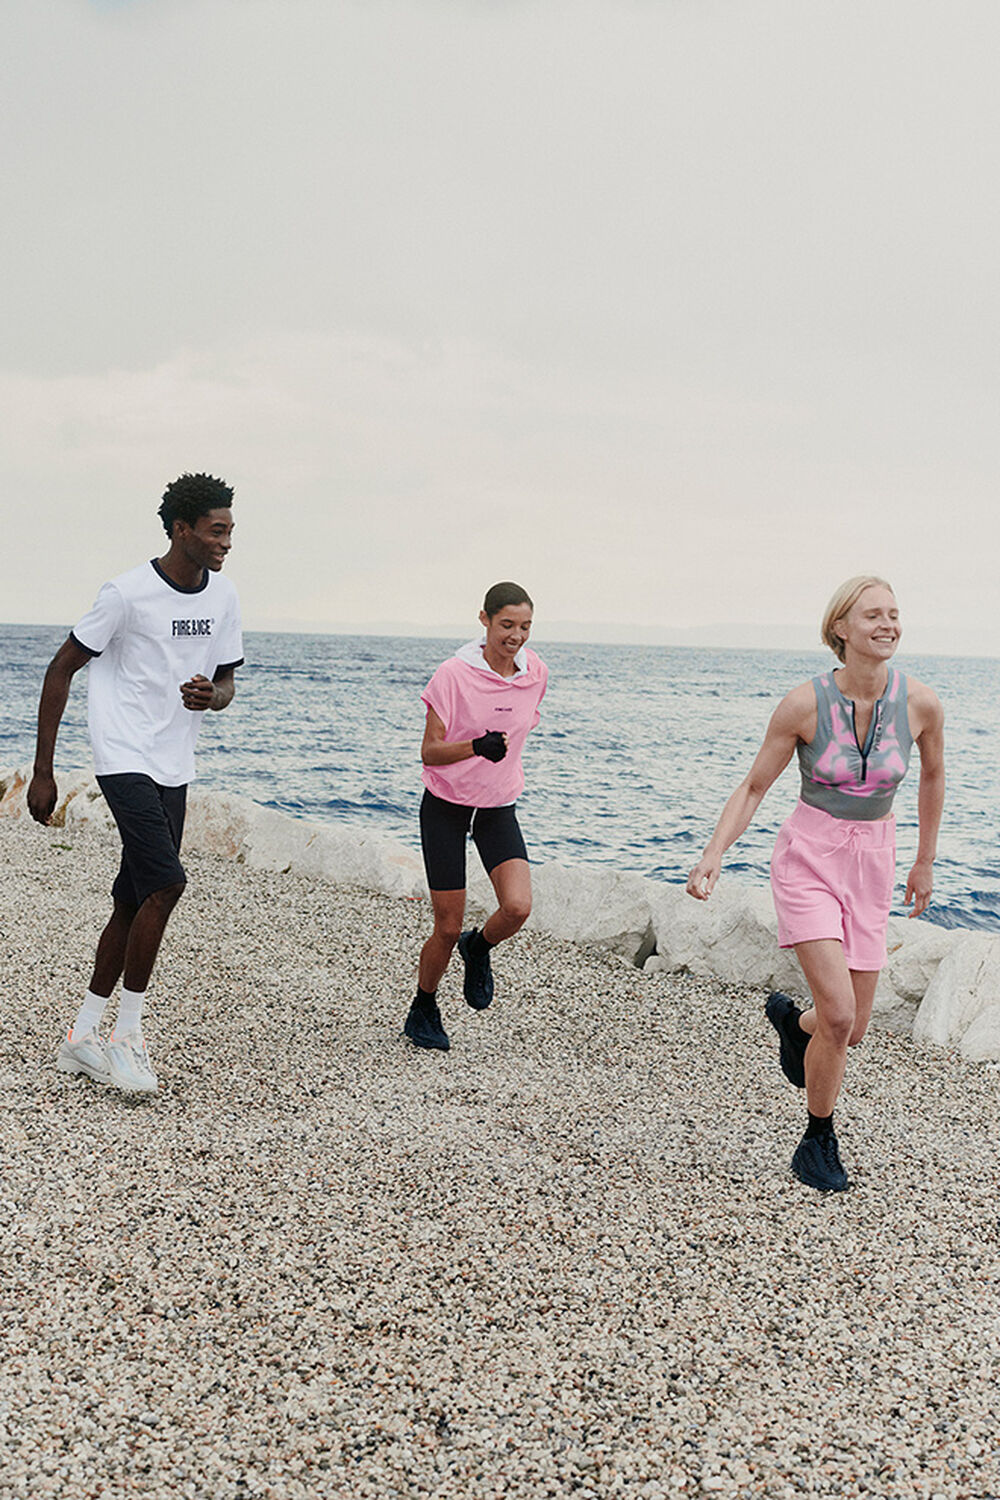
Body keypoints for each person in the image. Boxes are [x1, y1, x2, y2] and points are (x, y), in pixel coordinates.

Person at [686, 576, 944, 1192]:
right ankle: (817, 1139)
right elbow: (754, 787)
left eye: (894, 614)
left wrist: (924, 860)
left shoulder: (922, 705)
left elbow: (933, 778)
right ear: (841, 630)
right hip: (809, 857)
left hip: (874, 863)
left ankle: (789, 1024)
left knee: (851, 1027)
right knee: (838, 1015)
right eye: (873, 615)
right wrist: (714, 853)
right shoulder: (803, 705)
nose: (888, 624)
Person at [27, 472, 243, 1094]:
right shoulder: (126, 593)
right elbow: (61, 669)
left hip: (174, 761)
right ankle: (128, 1037)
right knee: (167, 884)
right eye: (216, 530)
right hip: (123, 755)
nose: (227, 541)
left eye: (230, 530)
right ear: (182, 529)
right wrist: (44, 770)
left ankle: (82, 1036)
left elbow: (227, 681)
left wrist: (214, 696)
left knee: (133, 896)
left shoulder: (223, 597)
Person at [404, 582, 549, 1052]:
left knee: (518, 907)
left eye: (525, 626)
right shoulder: (453, 674)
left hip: (497, 806)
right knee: (446, 926)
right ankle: (423, 1006)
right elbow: (428, 752)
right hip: (446, 806)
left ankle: (479, 947)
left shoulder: (535, 673)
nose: (516, 635)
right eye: (507, 624)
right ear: (484, 620)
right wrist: (476, 747)